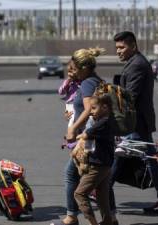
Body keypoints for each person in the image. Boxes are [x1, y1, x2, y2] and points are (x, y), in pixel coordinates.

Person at [109, 31, 158, 215]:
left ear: (133, 46)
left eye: (122, 47)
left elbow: (130, 97)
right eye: (117, 48)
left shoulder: (137, 65)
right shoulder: (134, 63)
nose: (119, 51)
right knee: (152, 161)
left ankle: (101, 190)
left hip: (135, 123)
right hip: (138, 123)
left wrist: (110, 102)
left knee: (118, 157)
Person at [52, 47, 106, 225]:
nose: (72, 73)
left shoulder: (88, 83)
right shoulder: (97, 80)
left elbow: (91, 109)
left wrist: (74, 128)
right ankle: (109, 217)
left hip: (89, 139)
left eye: (74, 69)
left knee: (71, 175)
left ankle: (71, 216)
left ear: (84, 68)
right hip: (98, 137)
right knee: (102, 181)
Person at [74, 95, 115, 225]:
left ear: (104, 107)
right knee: (102, 196)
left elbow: (85, 134)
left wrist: (76, 136)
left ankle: (93, 223)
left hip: (98, 165)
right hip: (105, 164)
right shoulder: (107, 120)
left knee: (79, 194)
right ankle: (107, 221)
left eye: (93, 108)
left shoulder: (102, 123)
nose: (91, 111)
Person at [58, 60, 80, 127]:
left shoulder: (81, 82)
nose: (69, 74)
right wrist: (68, 82)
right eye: (68, 72)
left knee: (74, 123)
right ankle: (71, 133)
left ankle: (70, 134)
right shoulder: (68, 82)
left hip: (77, 104)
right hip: (69, 105)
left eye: (72, 71)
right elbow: (61, 92)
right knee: (71, 120)